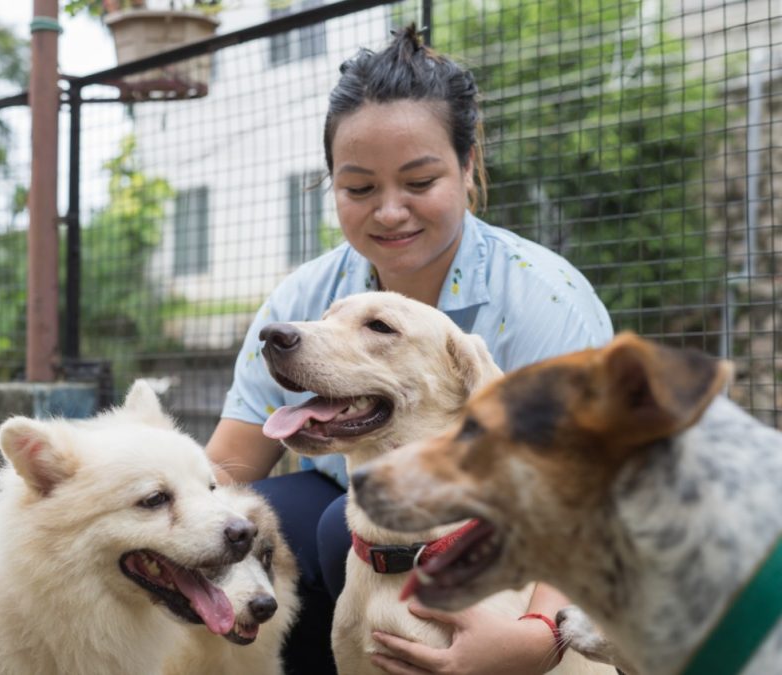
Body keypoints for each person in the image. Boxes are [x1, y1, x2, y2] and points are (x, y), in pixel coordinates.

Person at [206, 25, 613, 675]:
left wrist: (537, 637)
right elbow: (226, 469)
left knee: (347, 522)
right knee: (264, 521)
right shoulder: (307, 295)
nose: (390, 211)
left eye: (419, 181)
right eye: (359, 188)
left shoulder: (545, 302)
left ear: (468, 167)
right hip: (364, 530)